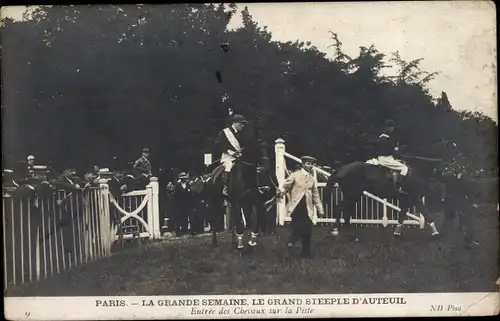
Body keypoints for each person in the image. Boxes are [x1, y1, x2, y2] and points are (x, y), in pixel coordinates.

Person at [277, 156, 325, 258]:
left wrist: (320, 209)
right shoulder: (295, 175)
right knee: (298, 229)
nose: (310, 166)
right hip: (296, 207)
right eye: (308, 163)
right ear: (303, 164)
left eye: (312, 164)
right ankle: (290, 244)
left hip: (308, 208)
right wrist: (280, 192)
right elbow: (285, 186)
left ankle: (305, 253)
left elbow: (315, 195)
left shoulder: (312, 179)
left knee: (308, 231)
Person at [213, 114, 249, 194]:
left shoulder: (242, 134)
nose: (242, 125)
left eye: (243, 124)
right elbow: (218, 144)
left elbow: (244, 146)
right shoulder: (224, 132)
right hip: (227, 157)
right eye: (241, 123)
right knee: (228, 165)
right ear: (235, 123)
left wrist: (242, 151)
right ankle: (225, 186)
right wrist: (230, 151)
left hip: (239, 158)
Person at [371, 119, 409, 192]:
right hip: (386, 159)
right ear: (388, 128)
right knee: (404, 168)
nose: (393, 129)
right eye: (392, 127)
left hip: (380, 158)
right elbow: (391, 150)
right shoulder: (387, 138)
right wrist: (397, 149)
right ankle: (399, 187)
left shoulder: (381, 137)